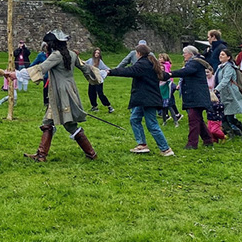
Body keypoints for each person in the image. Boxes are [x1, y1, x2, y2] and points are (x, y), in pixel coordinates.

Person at [19, 30, 101, 162]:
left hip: (61, 92)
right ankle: (41, 155)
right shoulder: (72, 54)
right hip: (69, 90)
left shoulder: (56, 55)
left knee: (69, 124)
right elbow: (86, 68)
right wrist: (101, 74)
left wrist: (18, 75)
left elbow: (41, 68)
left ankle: (91, 153)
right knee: (48, 121)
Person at [106, 44, 174, 156]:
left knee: (151, 124)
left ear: (138, 53)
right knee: (135, 119)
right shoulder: (151, 62)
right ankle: (142, 145)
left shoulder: (143, 64)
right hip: (142, 98)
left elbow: (128, 71)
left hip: (148, 99)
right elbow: (163, 75)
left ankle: (166, 149)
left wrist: (110, 72)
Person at [164, 45, 213, 149]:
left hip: (196, 96)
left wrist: (170, 74)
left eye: (184, 53)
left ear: (190, 54)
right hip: (197, 96)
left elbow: (186, 71)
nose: (183, 55)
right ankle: (208, 140)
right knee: (198, 119)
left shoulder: (194, 63)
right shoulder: (197, 62)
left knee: (193, 120)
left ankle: (192, 144)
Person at [215, 48, 242, 141]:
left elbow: (225, 80)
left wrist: (216, 89)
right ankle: (231, 135)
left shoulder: (229, 67)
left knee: (230, 117)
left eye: (223, 54)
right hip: (223, 94)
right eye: (220, 54)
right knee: (223, 117)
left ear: (228, 57)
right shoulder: (220, 67)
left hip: (230, 94)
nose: (220, 56)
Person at [158, 53, 182, 126]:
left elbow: (169, 79)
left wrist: (175, 87)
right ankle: (165, 120)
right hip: (162, 90)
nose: (159, 59)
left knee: (169, 105)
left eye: (161, 58)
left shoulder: (166, 66)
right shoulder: (159, 74)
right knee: (164, 107)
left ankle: (176, 118)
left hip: (168, 88)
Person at [86, 48, 114, 113]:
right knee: (91, 93)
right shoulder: (90, 60)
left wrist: (107, 71)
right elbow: (84, 64)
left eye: (98, 53)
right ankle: (94, 106)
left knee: (100, 94)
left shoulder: (100, 62)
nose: (96, 54)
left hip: (98, 80)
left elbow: (106, 68)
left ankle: (109, 106)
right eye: (95, 52)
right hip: (92, 79)